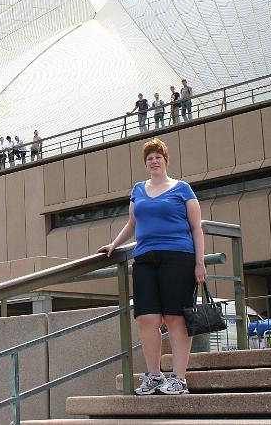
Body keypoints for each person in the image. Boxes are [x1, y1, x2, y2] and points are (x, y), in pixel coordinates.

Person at [98, 138, 206, 396]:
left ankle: (179, 378)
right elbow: (132, 224)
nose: (154, 161)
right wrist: (114, 244)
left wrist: (200, 262)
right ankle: (154, 376)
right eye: (149, 158)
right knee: (146, 317)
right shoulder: (138, 190)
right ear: (145, 164)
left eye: (158, 156)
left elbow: (196, 227)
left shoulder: (182, 189)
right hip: (145, 259)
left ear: (165, 160)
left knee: (176, 318)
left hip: (179, 257)